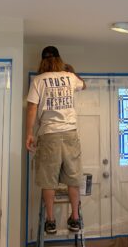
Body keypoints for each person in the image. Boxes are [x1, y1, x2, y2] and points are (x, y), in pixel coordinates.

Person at [26, 46, 86, 234]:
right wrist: (71, 70)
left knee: (48, 181)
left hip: (49, 134)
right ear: (59, 59)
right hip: (70, 133)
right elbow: (84, 85)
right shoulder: (69, 77)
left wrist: (29, 133)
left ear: (42, 61)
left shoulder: (38, 80)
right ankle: (75, 219)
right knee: (73, 178)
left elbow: (31, 108)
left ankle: (50, 221)